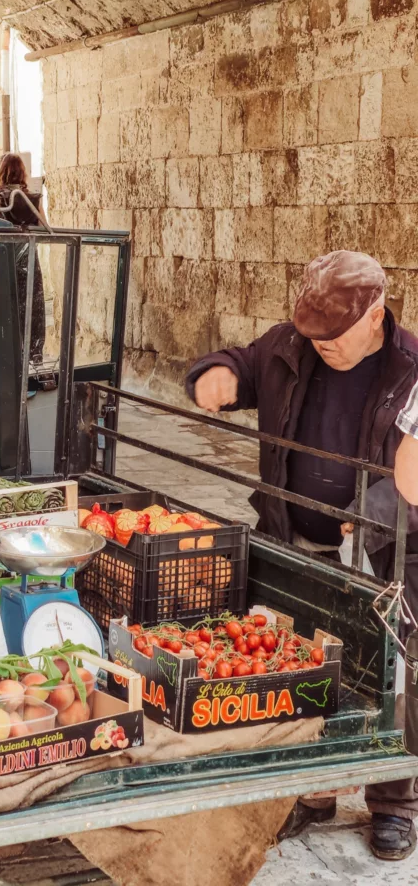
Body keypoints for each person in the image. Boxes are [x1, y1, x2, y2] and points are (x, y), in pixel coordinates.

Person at [186, 250, 418, 860]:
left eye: (333, 335)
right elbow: (242, 362)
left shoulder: (412, 367)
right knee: (307, 669)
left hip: (387, 553)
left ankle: (393, 802)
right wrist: (217, 374)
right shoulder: (290, 344)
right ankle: (310, 791)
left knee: (394, 679)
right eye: (312, 333)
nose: (321, 346)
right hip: (294, 539)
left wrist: (374, 511)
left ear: (376, 314)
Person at [0, 152, 45, 363]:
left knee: (2, 303)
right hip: (28, 259)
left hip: (2, 257)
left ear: (1, 173)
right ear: (22, 173)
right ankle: (31, 353)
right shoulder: (33, 198)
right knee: (30, 305)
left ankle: (3, 355)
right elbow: (45, 227)